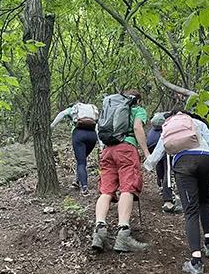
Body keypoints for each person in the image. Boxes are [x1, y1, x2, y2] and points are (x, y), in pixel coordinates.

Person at [144, 111, 209, 274]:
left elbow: (160, 150)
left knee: (190, 211)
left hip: (184, 163)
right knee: (204, 201)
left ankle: (196, 262)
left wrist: (147, 165)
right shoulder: (197, 123)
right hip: (207, 160)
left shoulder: (169, 126)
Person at [91, 89, 150, 253]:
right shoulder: (137, 109)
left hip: (107, 150)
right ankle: (123, 234)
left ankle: (99, 230)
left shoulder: (111, 107)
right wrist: (146, 152)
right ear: (137, 100)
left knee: (106, 191)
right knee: (127, 188)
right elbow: (138, 128)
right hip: (126, 149)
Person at [50, 101, 99, 196]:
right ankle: (77, 180)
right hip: (92, 136)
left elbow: (62, 114)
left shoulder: (72, 109)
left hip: (79, 135)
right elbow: (97, 125)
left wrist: (52, 126)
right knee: (82, 160)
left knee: (81, 162)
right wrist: (100, 144)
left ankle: (84, 187)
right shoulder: (91, 111)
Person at [147, 112, 182, 214]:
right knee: (168, 171)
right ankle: (168, 200)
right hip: (166, 150)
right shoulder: (167, 129)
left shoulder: (152, 132)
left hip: (154, 150)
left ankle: (161, 185)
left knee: (161, 168)